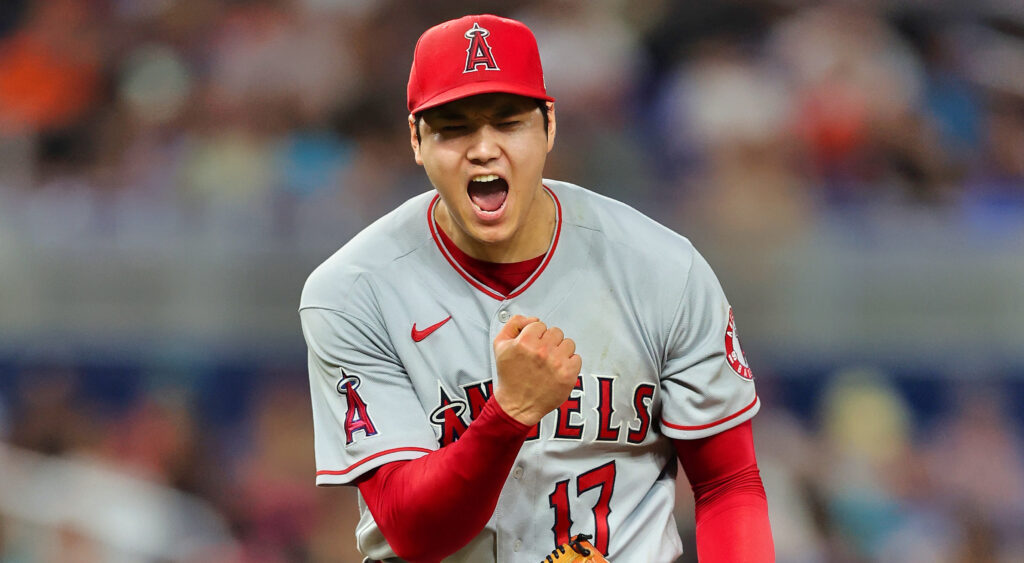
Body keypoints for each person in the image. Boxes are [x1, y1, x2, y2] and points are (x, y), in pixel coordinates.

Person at [300, 14, 774, 563]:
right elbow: (414, 532)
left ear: (548, 126)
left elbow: (728, 483)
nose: (483, 149)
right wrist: (507, 416)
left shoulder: (662, 269)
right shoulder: (355, 290)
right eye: (454, 127)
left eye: (508, 123)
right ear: (416, 140)